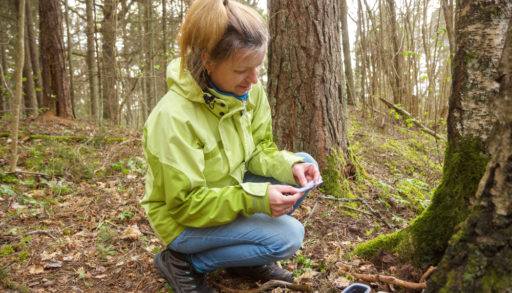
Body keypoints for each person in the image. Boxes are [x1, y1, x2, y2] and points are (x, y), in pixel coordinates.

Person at [141, 0, 321, 292]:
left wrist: (291, 167)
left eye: (257, 67)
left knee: (302, 162)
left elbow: (259, 149)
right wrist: (257, 198)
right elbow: (185, 205)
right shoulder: (173, 118)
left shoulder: (250, 91)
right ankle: (184, 262)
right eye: (241, 70)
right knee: (287, 236)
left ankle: (246, 260)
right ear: (207, 61)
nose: (253, 80)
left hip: (229, 190)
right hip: (184, 221)